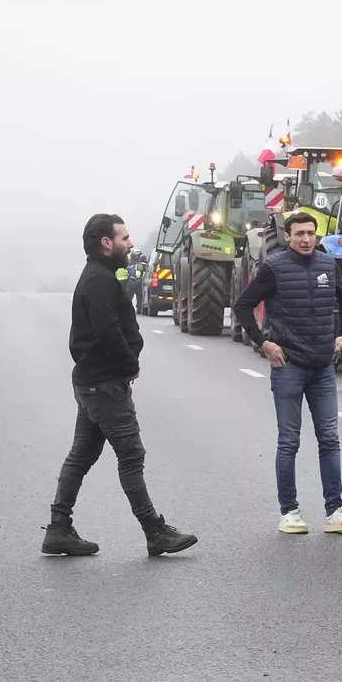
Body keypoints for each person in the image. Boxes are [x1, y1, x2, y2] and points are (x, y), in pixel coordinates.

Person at [44, 214, 198, 558]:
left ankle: (58, 529)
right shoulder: (99, 280)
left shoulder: (102, 274)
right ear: (106, 243)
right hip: (104, 384)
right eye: (124, 238)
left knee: (82, 455)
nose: (130, 244)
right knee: (131, 455)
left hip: (93, 382)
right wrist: (130, 363)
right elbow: (107, 329)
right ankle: (154, 531)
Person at [233, 212, 342, 535]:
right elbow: (243, 306)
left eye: (310, 233)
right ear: (287, 237)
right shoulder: (274, 267)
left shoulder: (328, 266)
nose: (305, 239)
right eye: (299, 233)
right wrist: (264, 343)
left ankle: (335, 510)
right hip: (288, 367)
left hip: (322, 368)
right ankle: (289, 511)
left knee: (329, 438)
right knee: (289, 440)